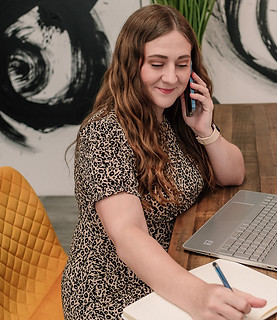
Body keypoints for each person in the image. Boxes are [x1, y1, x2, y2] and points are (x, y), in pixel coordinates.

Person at [61, 4, 266, 319]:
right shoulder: (104, 132)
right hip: (113, 290)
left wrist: (205, 129)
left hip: (170, 267)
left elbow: (233, 174)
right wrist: (197, 295)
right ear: (132, 65)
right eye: (157, 64)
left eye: (182, 64)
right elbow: (128, 234)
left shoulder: (176, 114)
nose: (172, 77)